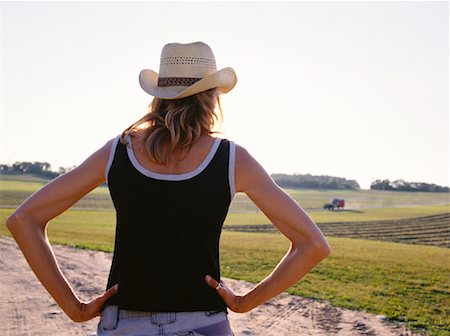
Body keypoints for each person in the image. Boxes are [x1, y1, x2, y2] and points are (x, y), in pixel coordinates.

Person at [6, 41, 331, 336]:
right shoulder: (233, 160)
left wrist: (73, 308)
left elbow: (23, 220)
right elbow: (313, 245)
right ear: (212, 96)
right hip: (205, 323)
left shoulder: (117, 152)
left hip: (124, 325)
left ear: (159, 95)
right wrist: (244, 302)